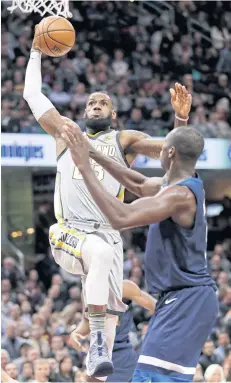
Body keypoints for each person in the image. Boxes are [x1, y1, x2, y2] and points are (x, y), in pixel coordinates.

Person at [23, 26, 191, 379]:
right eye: (91, 103)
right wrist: (37, 51)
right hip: (69, 233)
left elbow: (170, 153)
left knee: (104, 363)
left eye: (103, 103)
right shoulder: (66, 133)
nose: (96, 105)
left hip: (109, 238)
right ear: (84, 113)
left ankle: (99, 347)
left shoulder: (124, 140)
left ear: (113, 115)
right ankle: (97, 335)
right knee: (96, 255)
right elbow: (31, 93)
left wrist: (180, 120)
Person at [61, 120, 219, 382]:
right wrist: (90, 151)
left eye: (162, 147)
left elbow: (121, 217)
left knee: (150, 379)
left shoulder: (179, 196)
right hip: (182, 298)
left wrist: (83, 167)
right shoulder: (178, 185)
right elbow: (135, 181)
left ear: (169, 153)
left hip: (187, 299)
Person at [70, 280, 156, 383]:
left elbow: (157, 307)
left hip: (121, 355)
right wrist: (76, 333)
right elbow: (86, 322)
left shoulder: (123, 287)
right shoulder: (88, 288)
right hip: (98, 355)